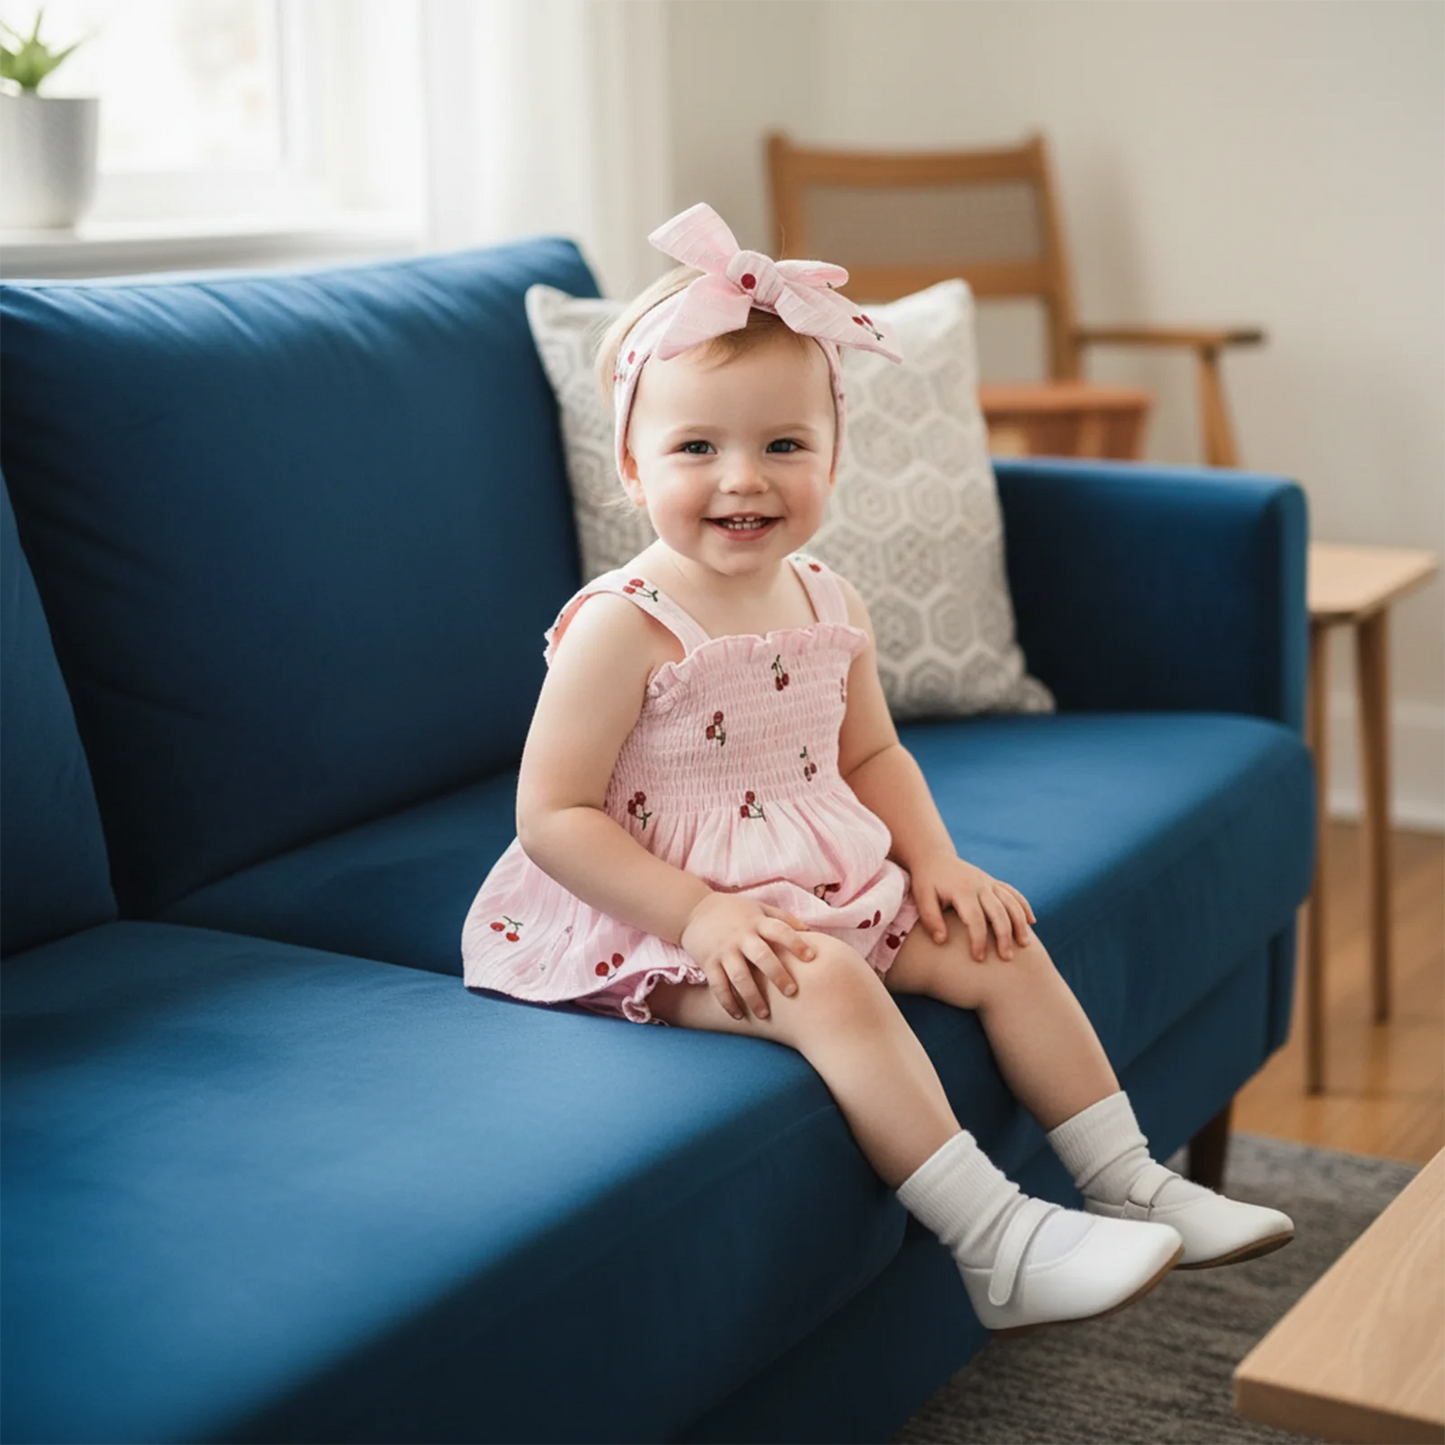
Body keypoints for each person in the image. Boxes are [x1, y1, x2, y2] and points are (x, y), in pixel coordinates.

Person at [462, 202, 1293, 1336]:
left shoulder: (826, 597)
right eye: (696, 447)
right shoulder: (623, 624)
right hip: (649, 920)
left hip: (811, 873)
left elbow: (868, 752)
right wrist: (700, 915)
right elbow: (553, 813)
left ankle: (1126, 1175)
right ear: (628, 460)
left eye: (783, 445)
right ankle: (996, 1243)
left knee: (997, 940)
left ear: (835, 452)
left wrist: (938, 861)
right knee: (832, 982)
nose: (742, 479)